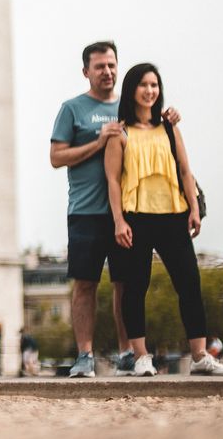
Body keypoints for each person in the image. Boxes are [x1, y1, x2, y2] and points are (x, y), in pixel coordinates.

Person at [51, 41, 179, 378]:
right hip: (86, 212)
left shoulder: (129, 106)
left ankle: (127, 353)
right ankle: (84, 356)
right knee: (85, 285)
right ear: (85, 72)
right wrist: (97, 142)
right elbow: (55, 157)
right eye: (99, 67)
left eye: (111, 65)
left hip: (129, 212)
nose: (107, 72)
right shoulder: (72, 109)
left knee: (126, 284)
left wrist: (170, 117)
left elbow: (157, 133)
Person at [103, 63, 223, 376]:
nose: (150, 91)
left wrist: (194, 208)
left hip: (173, 214)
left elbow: (185, 170)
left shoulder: (170, 127)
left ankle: (200, 356)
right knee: (136, 287)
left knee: (189, 283)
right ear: (132, 89)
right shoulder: (119, 133)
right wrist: (119, 221)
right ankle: (141, 356)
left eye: (155, 85)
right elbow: (113, 181)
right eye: (144, 85)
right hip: (136, 217)